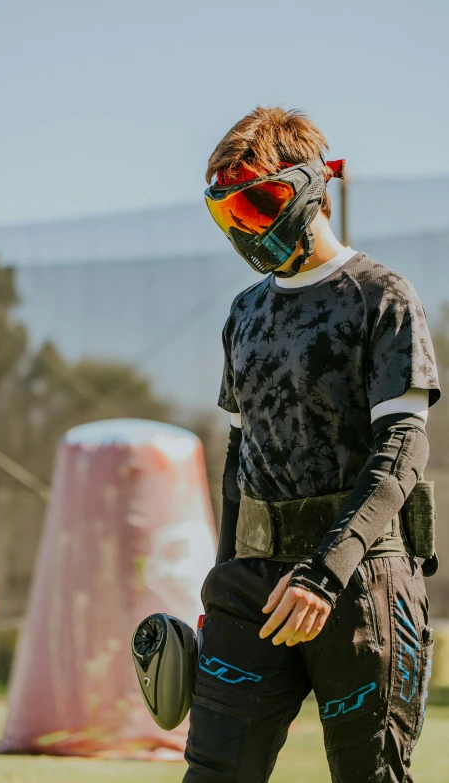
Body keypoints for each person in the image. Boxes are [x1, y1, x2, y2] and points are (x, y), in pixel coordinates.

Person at [183, 106, 441, 782]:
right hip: (255, 585)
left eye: (259, 203)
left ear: (309, 187)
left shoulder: (382, 296)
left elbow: (402, 451)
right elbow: (239, 463)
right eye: (229, 214)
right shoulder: (245, 313)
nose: (248, 229)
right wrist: (219, 588)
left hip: (362, 581)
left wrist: (325, 572)